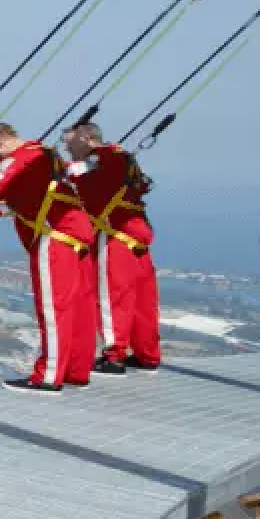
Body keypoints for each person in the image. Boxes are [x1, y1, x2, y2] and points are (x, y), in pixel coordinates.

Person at [0, 120, 99, 392]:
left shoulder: (18, 159)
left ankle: (48, 375)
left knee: (53, 310)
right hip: (78, 235)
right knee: (80, 309)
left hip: (54, 240)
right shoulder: (46, 153)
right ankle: (77, 369)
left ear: (1, 140)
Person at [64, 121, 162, 373]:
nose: (68, 149)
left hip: (115, 237)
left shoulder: (101, 160)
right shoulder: (118, 159)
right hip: (137, 237)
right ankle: (147, 354)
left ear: (85, 139)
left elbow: (74, 171)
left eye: (70, 143)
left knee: (112, 298)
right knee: (143, 301)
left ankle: (114, 354)